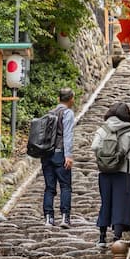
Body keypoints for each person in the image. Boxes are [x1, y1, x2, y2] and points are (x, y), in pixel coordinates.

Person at [91, 102, 130, 247]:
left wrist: (105, 156)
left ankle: (101, 237)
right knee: (121, 204)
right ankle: (116, 237)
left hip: (104, 172)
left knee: (106, 202)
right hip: (124, 174)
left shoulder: (103, 129)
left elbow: (94, 146)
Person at [42, 87, 75, 228]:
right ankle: (65, 218)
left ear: (58, 99)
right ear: (71, 99)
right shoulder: (68, 113)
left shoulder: (50, 113)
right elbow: (68, 135)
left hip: (46, 154)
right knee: (65, 186)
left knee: (49, 187)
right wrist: (68, 155)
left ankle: (49, 218)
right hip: (60, 153)